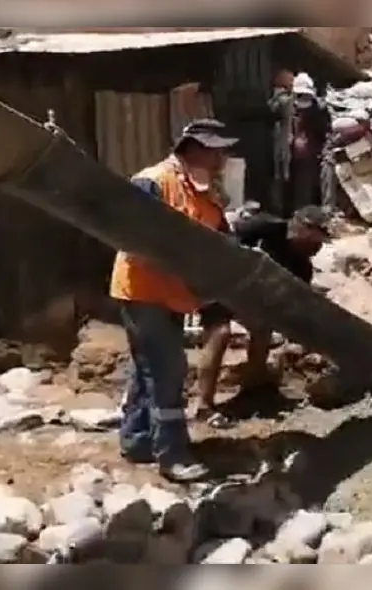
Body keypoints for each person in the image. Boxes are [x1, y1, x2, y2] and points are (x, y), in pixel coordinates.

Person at [110, 118, 237, 482]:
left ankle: (137, 441)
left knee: (149, 366)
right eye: (218, 150)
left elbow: (218, 239)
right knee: (168, 369)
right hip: (143, 290)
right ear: (196, 148)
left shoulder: (204, 190)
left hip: (174, 296)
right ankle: (173, 455)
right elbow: (133, 238)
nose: (223, 158)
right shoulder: (153, 181)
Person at [192, 205, 331, 427]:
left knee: (263, 328)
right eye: (313, 241)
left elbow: (292, 301)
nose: (316, 248)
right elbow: (224, 241)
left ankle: (253, 388)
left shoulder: (302, 266)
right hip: (221, 285)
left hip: (251, 298)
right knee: (220, 333)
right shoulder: (266, 227)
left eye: (320, 244)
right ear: (300, 228)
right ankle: (204, 405)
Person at [269, 71, 331, 218]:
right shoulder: (286, 104)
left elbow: (325, 130)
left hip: (308, 156)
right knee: (284, 187)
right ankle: (283, 217)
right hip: (287, 155)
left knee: (303, 192)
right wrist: (279, 91)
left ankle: (301, 219)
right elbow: (270, 108)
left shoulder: (318, 109)